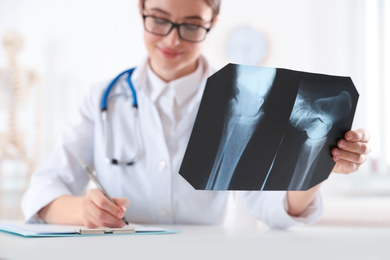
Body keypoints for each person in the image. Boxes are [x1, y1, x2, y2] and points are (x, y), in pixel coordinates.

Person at [21, 0, 371, 229]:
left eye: (191, 25)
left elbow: (272, 208)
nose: (172, 40)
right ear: (141, 10)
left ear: (213, 22)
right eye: (159, 20)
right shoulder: (101, 97)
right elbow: (44, 189)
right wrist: (84, 211)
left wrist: (317, 164)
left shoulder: (246, 101)